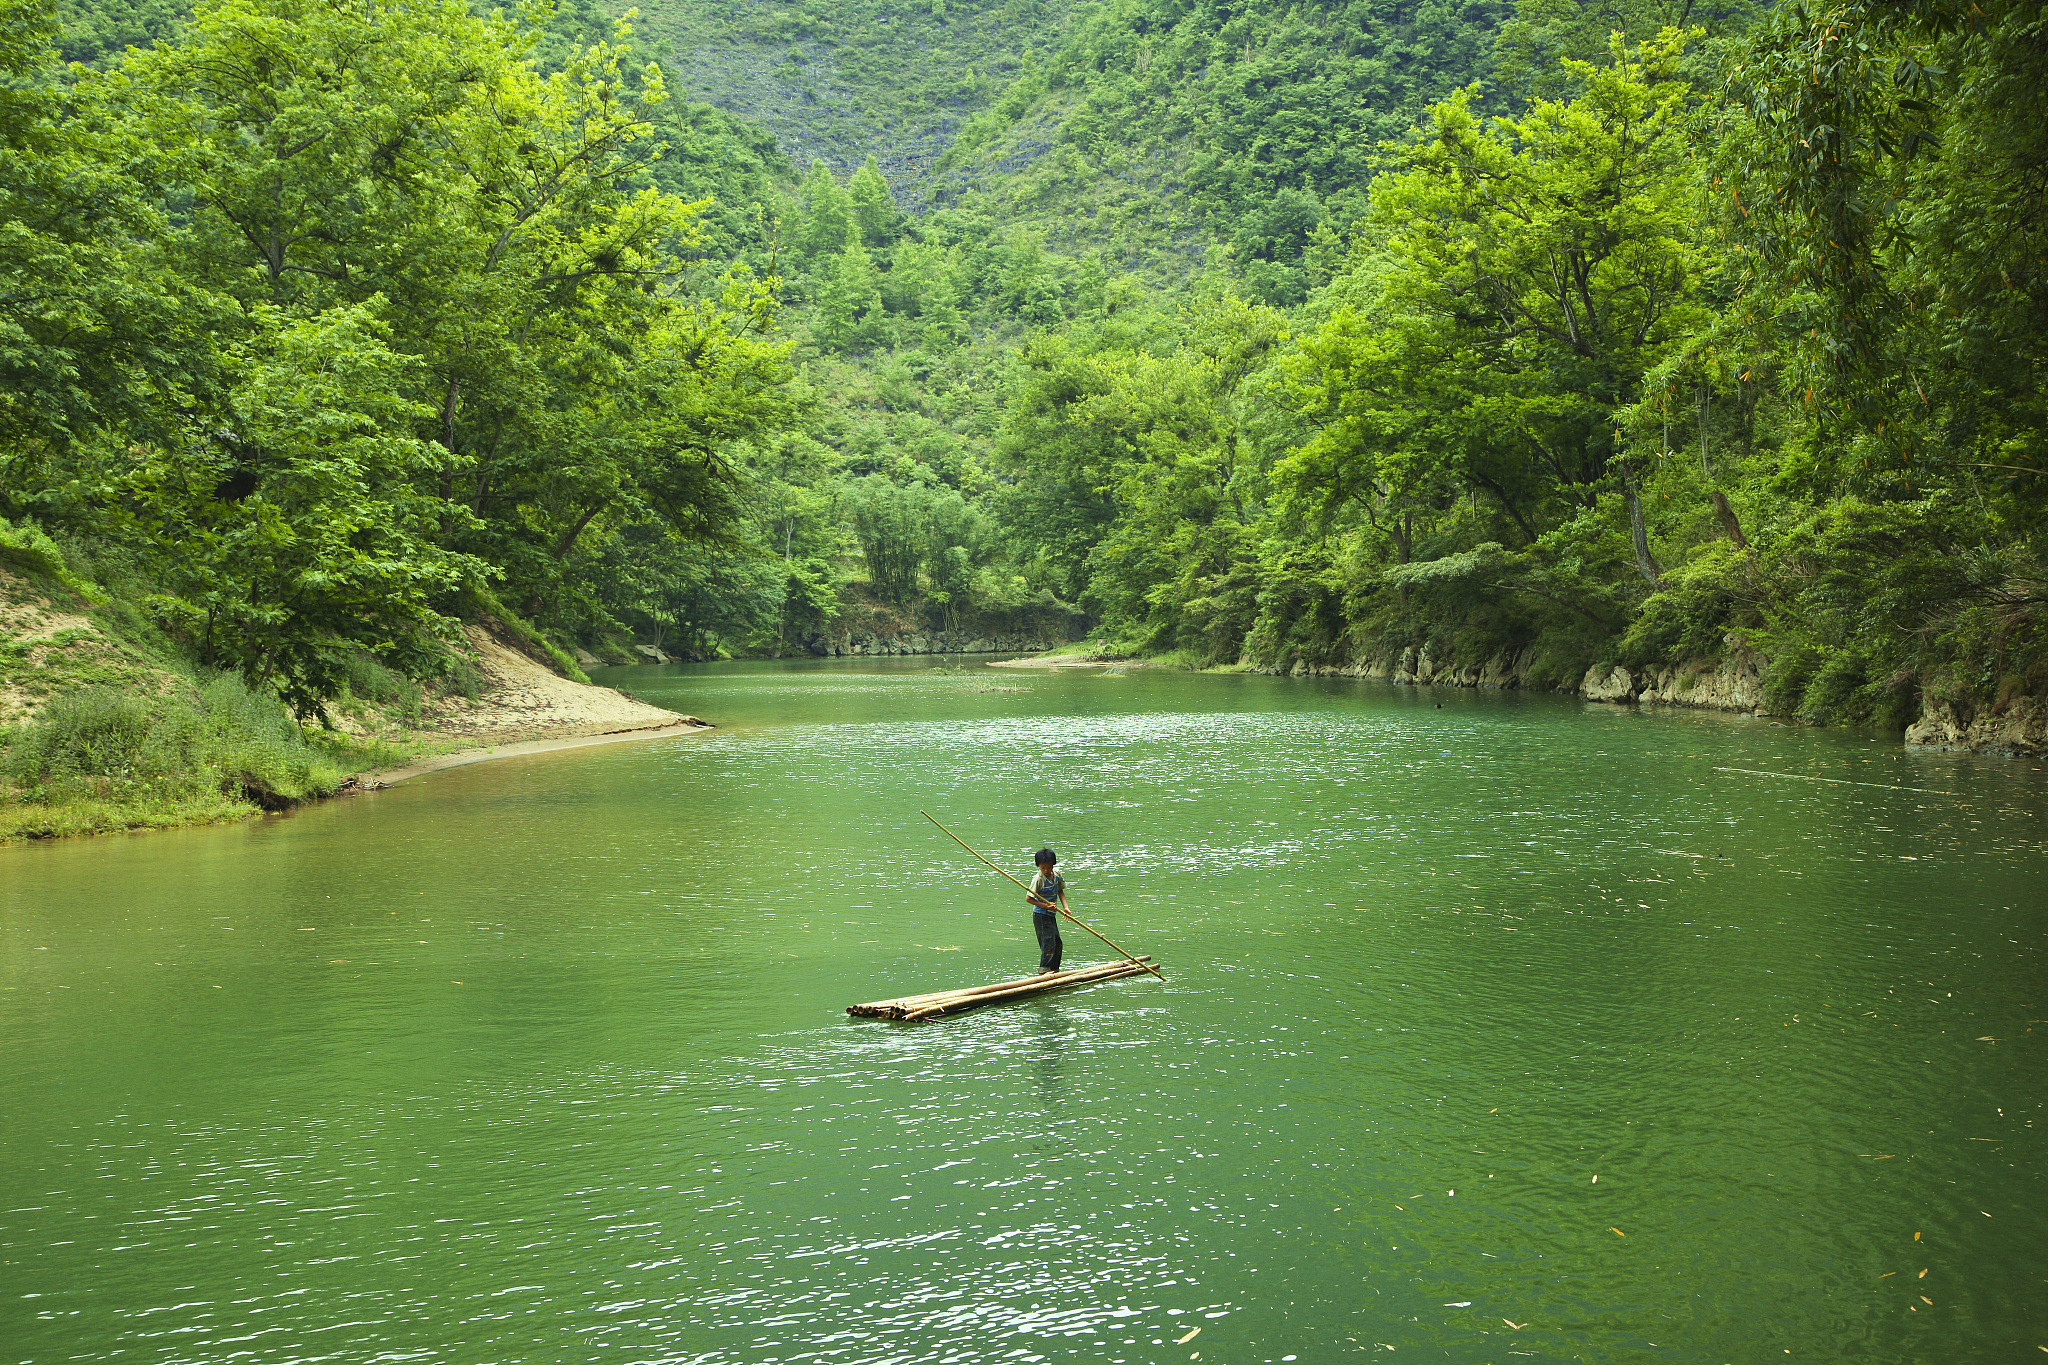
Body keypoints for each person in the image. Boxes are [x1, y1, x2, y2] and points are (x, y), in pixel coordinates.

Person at [1025, 848, 1066, 974]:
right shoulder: (1038, 879)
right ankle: (1044, 971)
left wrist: (1066, 908)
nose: (1047, 870)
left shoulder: (1057, 874)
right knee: (1048, 943)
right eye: (1043, 868)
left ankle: (1054, 970)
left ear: (1053, 865)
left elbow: (1060, 891)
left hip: (1051, 914)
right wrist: (1045, 906)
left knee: (1057, 943)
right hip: (1041, 915)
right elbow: (1028, 899)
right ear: (1039, 867)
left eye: (1049, 867)